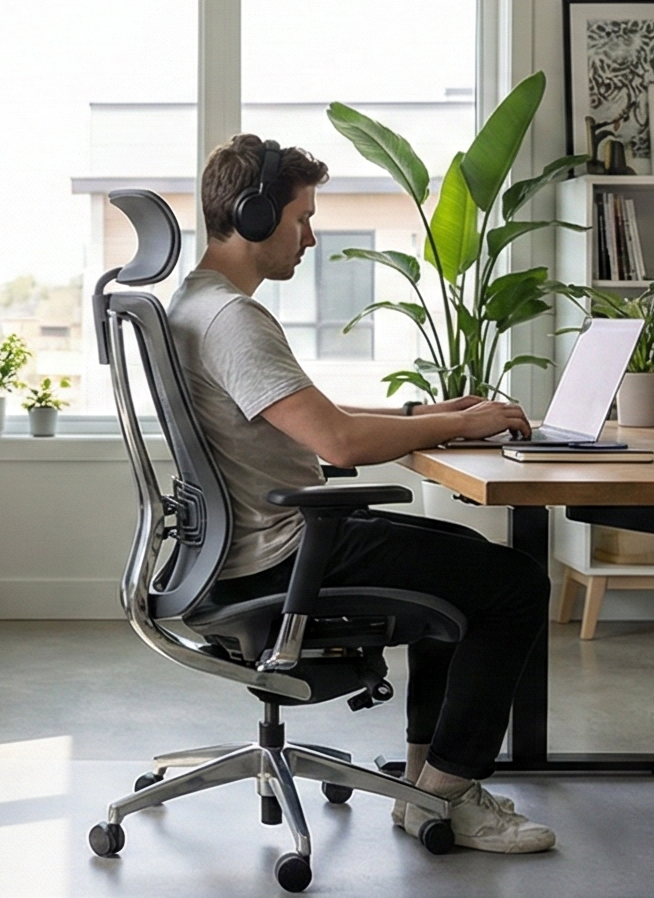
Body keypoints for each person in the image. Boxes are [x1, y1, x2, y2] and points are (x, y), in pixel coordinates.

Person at [167, 133, 556, 854]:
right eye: (302, 217)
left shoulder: (197, 302)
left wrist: (424, 415)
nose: (310, 236)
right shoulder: (233, 319)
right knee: (513, 585)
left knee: (467, 560)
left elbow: (310, 411)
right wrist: (465, 422)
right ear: (254, 217)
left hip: (236, 550)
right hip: (281, 556)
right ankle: (449, 794)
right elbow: (336, 443)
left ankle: (423, 785)